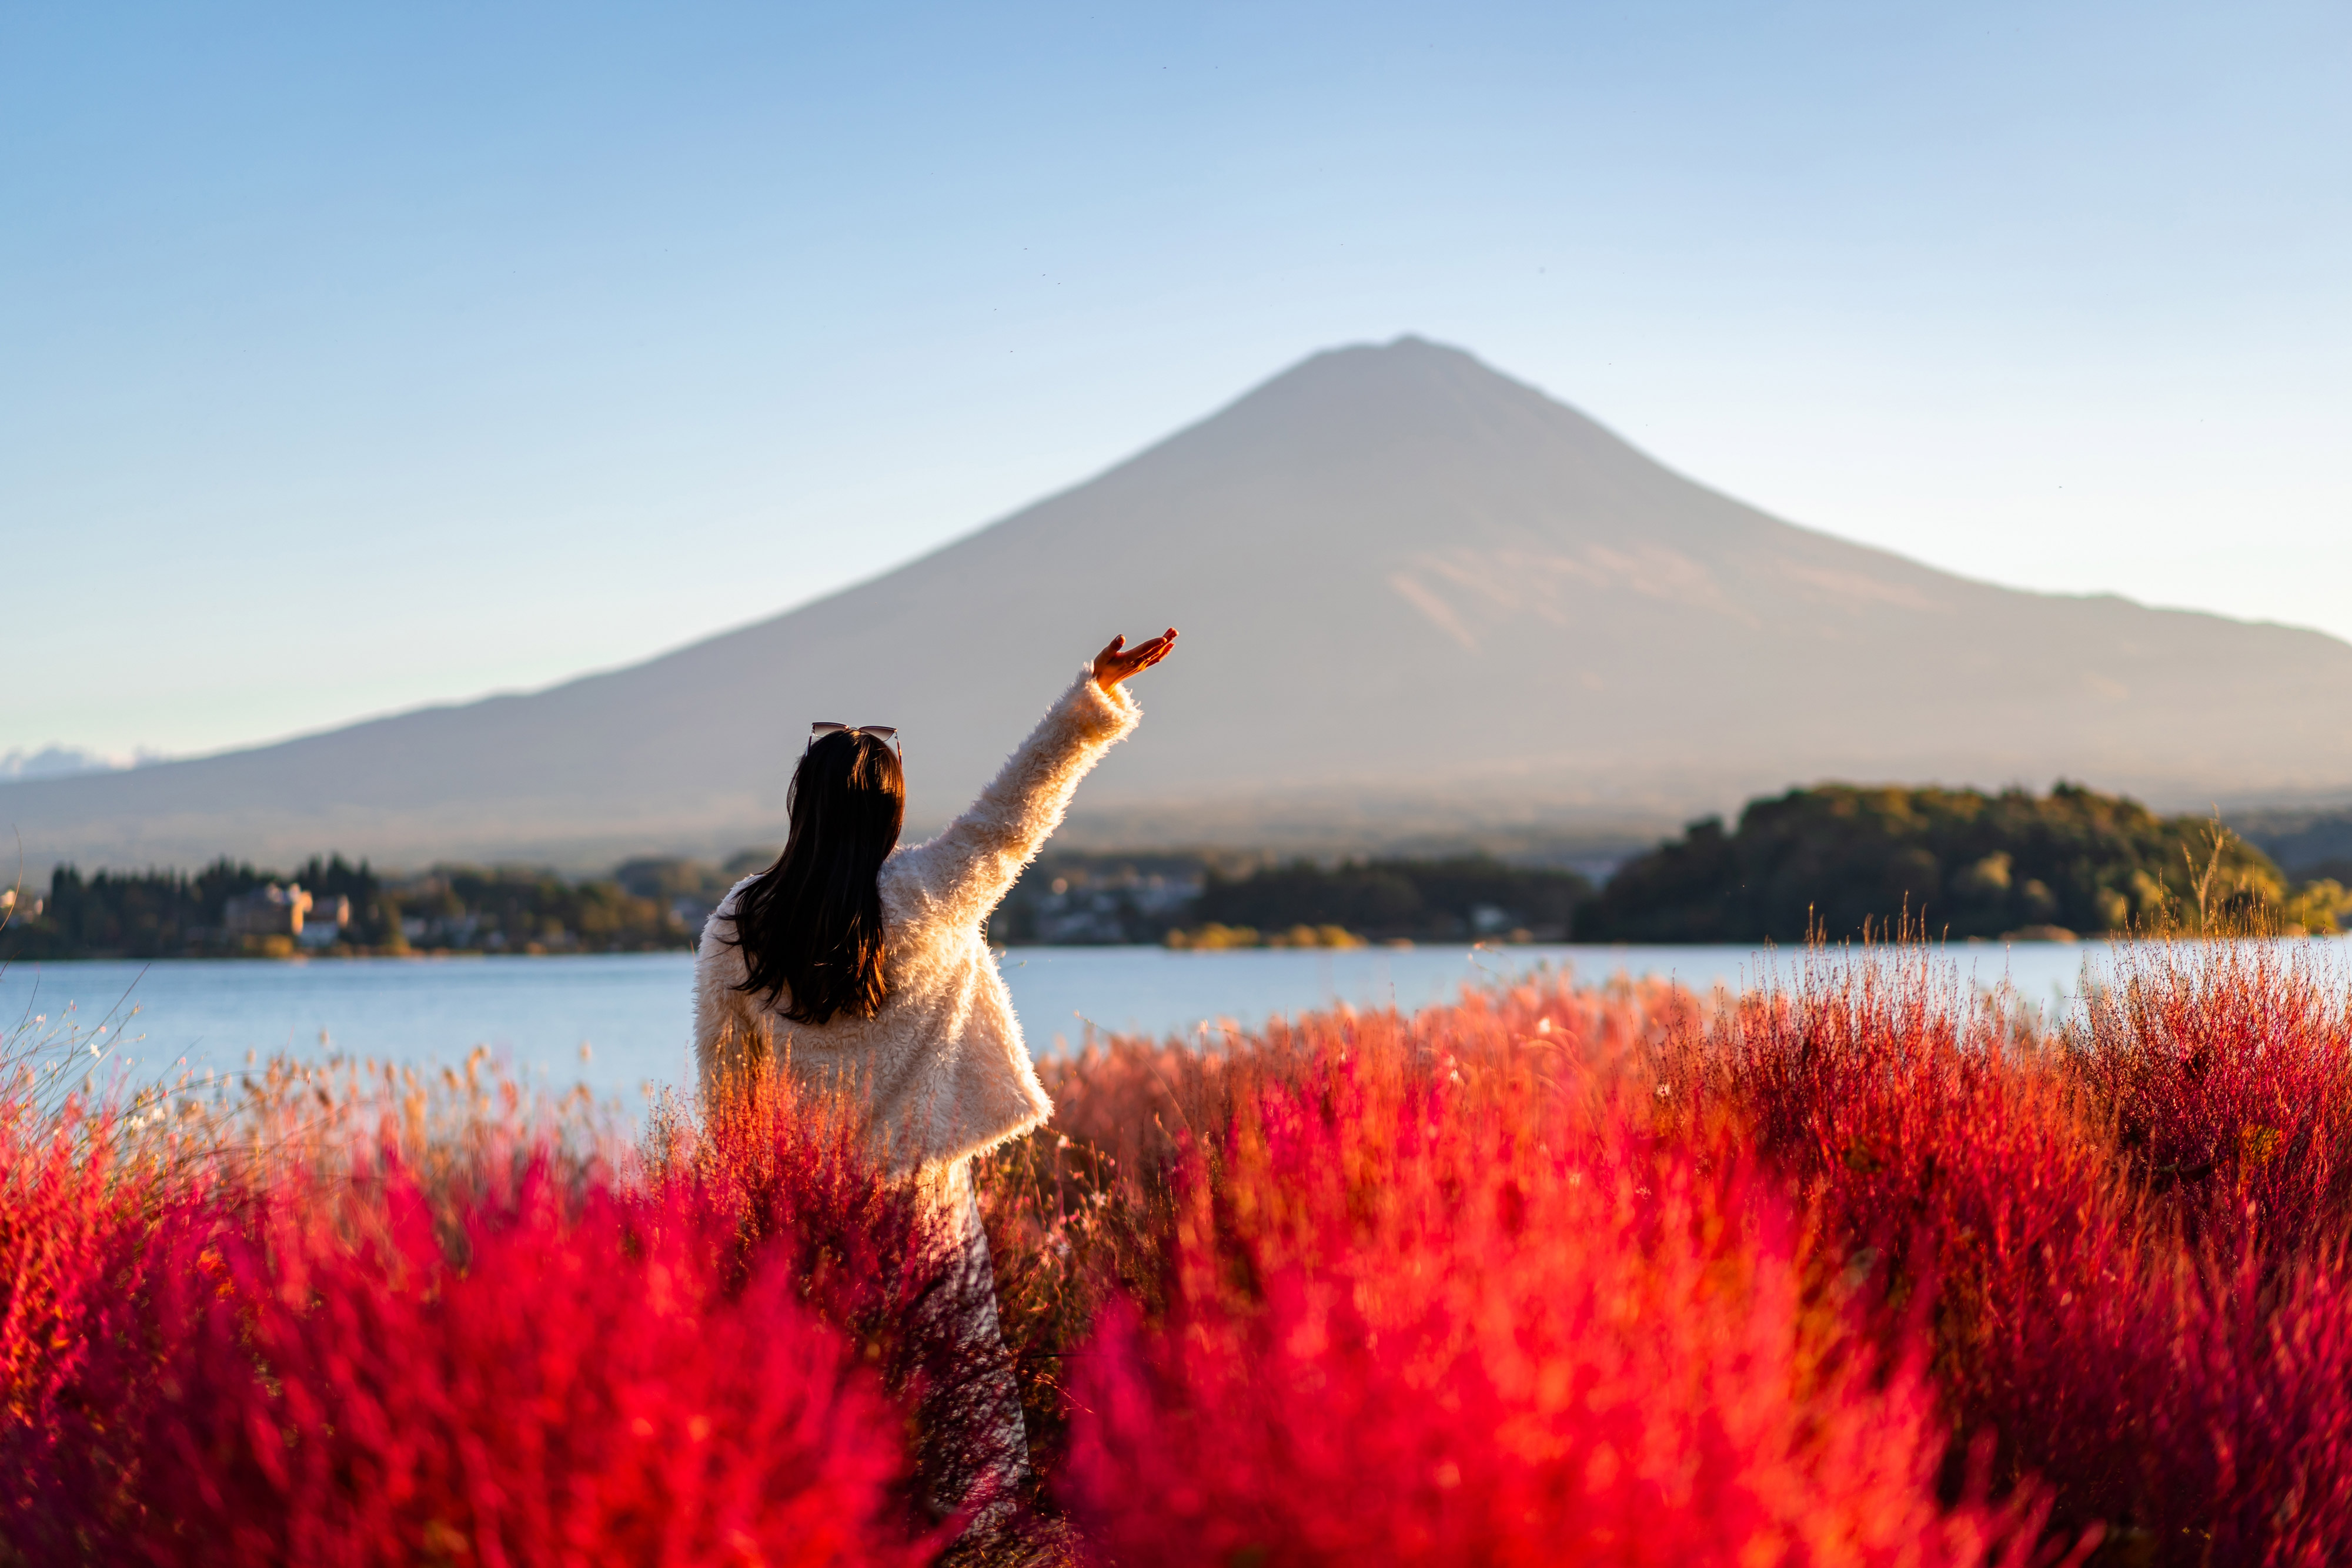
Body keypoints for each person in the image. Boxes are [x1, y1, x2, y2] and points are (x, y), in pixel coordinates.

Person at [690, 628, 1177, 1525]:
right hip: (923, 1200)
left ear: (802, 806)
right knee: (951, 1408)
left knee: (825, 1407)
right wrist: (1091, 697)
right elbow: (1014, 814)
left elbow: (727, 1090)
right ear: (889, 814)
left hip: (805, 1208)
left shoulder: (740, 921)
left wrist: (746, 1216)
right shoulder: (932, 893)